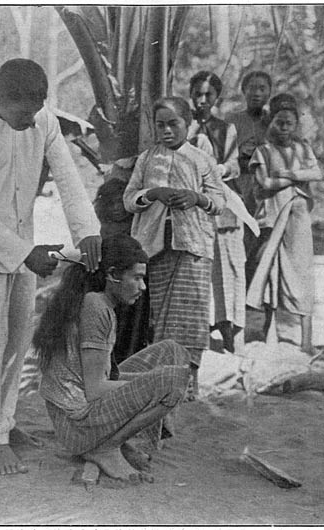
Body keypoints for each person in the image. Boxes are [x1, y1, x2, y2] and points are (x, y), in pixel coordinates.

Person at [0, 58, 102, 475]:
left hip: (24, 248)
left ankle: (4, 421)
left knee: (17, 340)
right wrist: (24, 253)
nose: (31, 119)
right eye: (23, 111)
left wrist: (87, 229)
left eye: (37, 108)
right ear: (0, 97)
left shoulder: (43, 120)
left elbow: (69, 177)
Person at [35, 234, 190, 483]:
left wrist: (148, 385)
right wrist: (152, 387)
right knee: (173, 381)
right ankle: (106, 447)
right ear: (113, 274)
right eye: (137, 278)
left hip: (80, 413)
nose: (143, 287)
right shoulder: (95, 306)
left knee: (171, 351)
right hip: (78, 426)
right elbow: (95, 389)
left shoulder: (96, 300)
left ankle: (121, 442)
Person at [123, 96, 224, 399]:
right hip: (154, 247)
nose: (166, 131)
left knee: (190, 316)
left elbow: (219, 200)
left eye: (173, 124)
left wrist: (198, 199)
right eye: (160, 125)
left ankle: (188, 382)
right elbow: (129, 199)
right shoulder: (147, 158)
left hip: (193, 247)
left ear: (188, 123)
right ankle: (164, 382)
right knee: (160, 317)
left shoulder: (202, 159)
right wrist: (152, 192)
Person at [246, 93, 322, 354]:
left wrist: (290, 174)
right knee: (270, 270)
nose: (285, 128)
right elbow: (265, 183)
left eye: (290, 123)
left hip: (298, 219)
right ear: (271, 122)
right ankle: (268, 333)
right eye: (280, 122)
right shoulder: (263, 151)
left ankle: (307, 341)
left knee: (302, 272)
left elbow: (316, 172)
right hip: (272, 218)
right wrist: (294, 182)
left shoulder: (303, 148)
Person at [188, 71, 256, 353]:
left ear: (217, 97)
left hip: (222, 203)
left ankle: (231, 333)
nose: (203, 100)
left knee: (228, 268)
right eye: (198, 94)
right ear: (191, 94)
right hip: (191, 205)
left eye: (209, 95)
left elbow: (235, 166)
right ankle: (199, 333)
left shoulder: (225, 128)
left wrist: (220, 169)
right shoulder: (183, 124)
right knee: (196, 269)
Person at [225, 71, 273, 283]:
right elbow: (227, 155)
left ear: (270, 92)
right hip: (241, 186)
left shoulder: (273, 121)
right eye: (252, 88)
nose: (257, 93)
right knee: (242, 237)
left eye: (262, 88)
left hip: (267, 188)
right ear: (243, 91)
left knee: (265, 237)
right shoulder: (233, 120)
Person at [94, 178, 149, 363]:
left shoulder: (134, 223)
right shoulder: (104, 225)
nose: (117, 207)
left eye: (120, 202)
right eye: (112, 203)